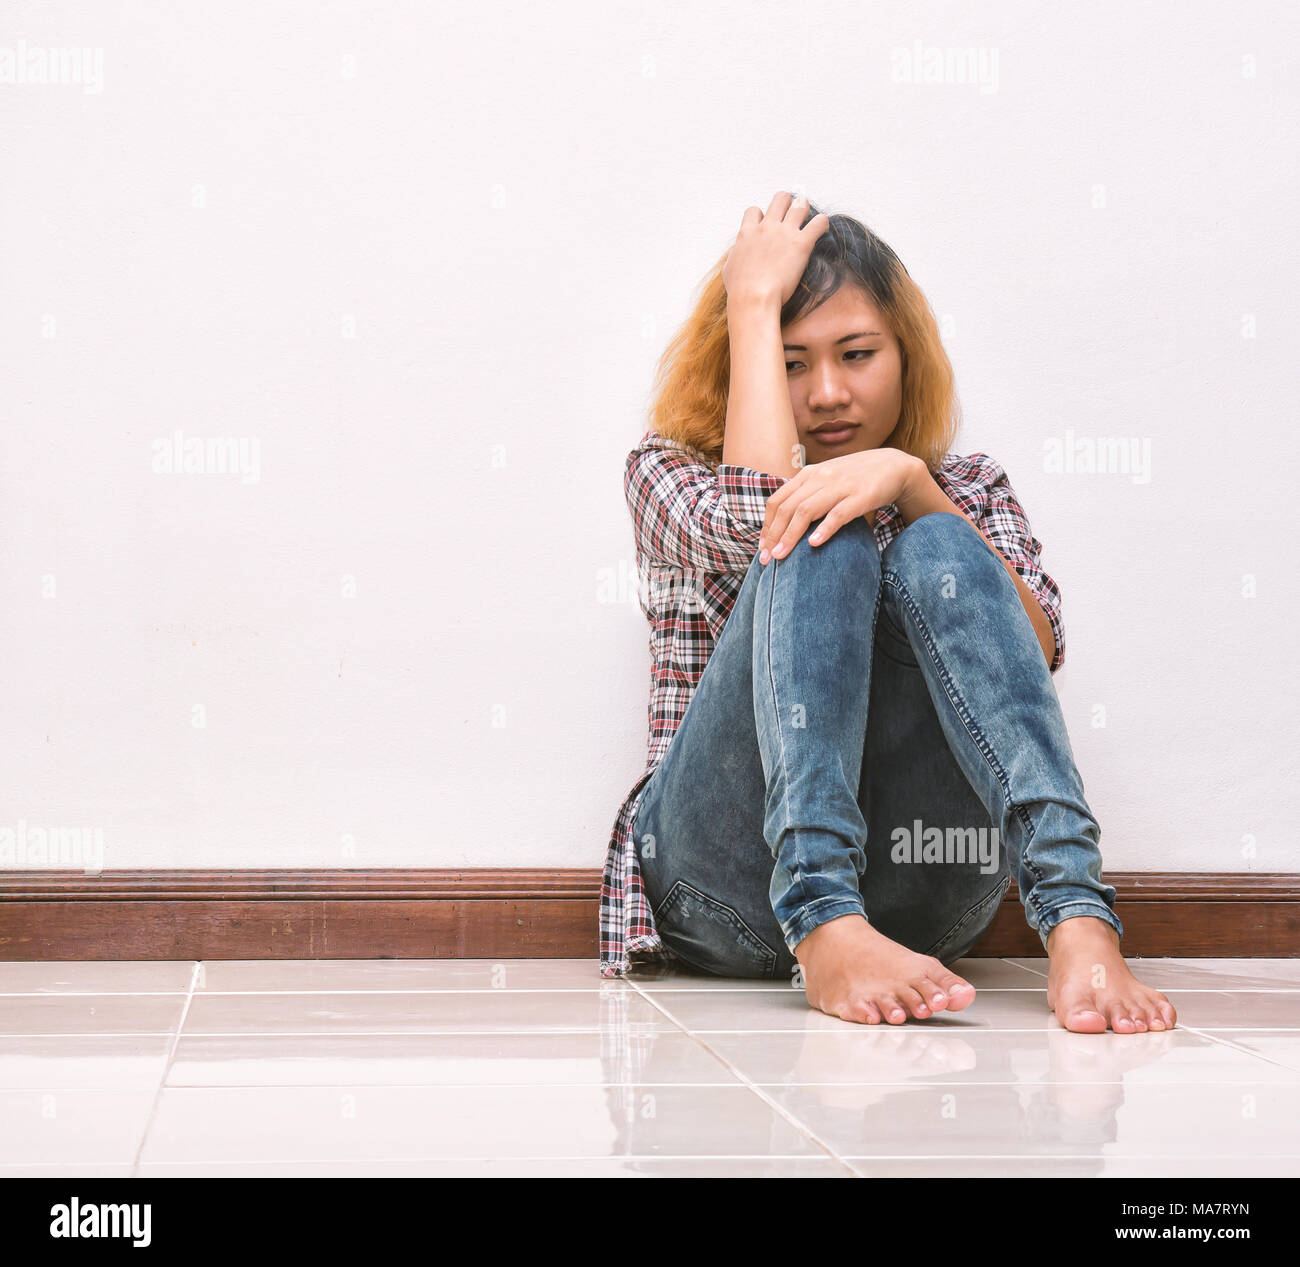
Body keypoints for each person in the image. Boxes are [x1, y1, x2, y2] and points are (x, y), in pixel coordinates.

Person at [600, 190, 1176, 1035]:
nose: (828, 392)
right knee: (813, 520)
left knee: (945, 547)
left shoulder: (967, 485)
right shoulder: (667, 476)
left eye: (856, 354)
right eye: (789, 362)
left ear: (905, 355)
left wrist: (915, 489)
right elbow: (769, 504)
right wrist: (750, 299)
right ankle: (825, 920)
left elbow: (1038, 645)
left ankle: (1078, 917)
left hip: (920, 893)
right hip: (721, 888)